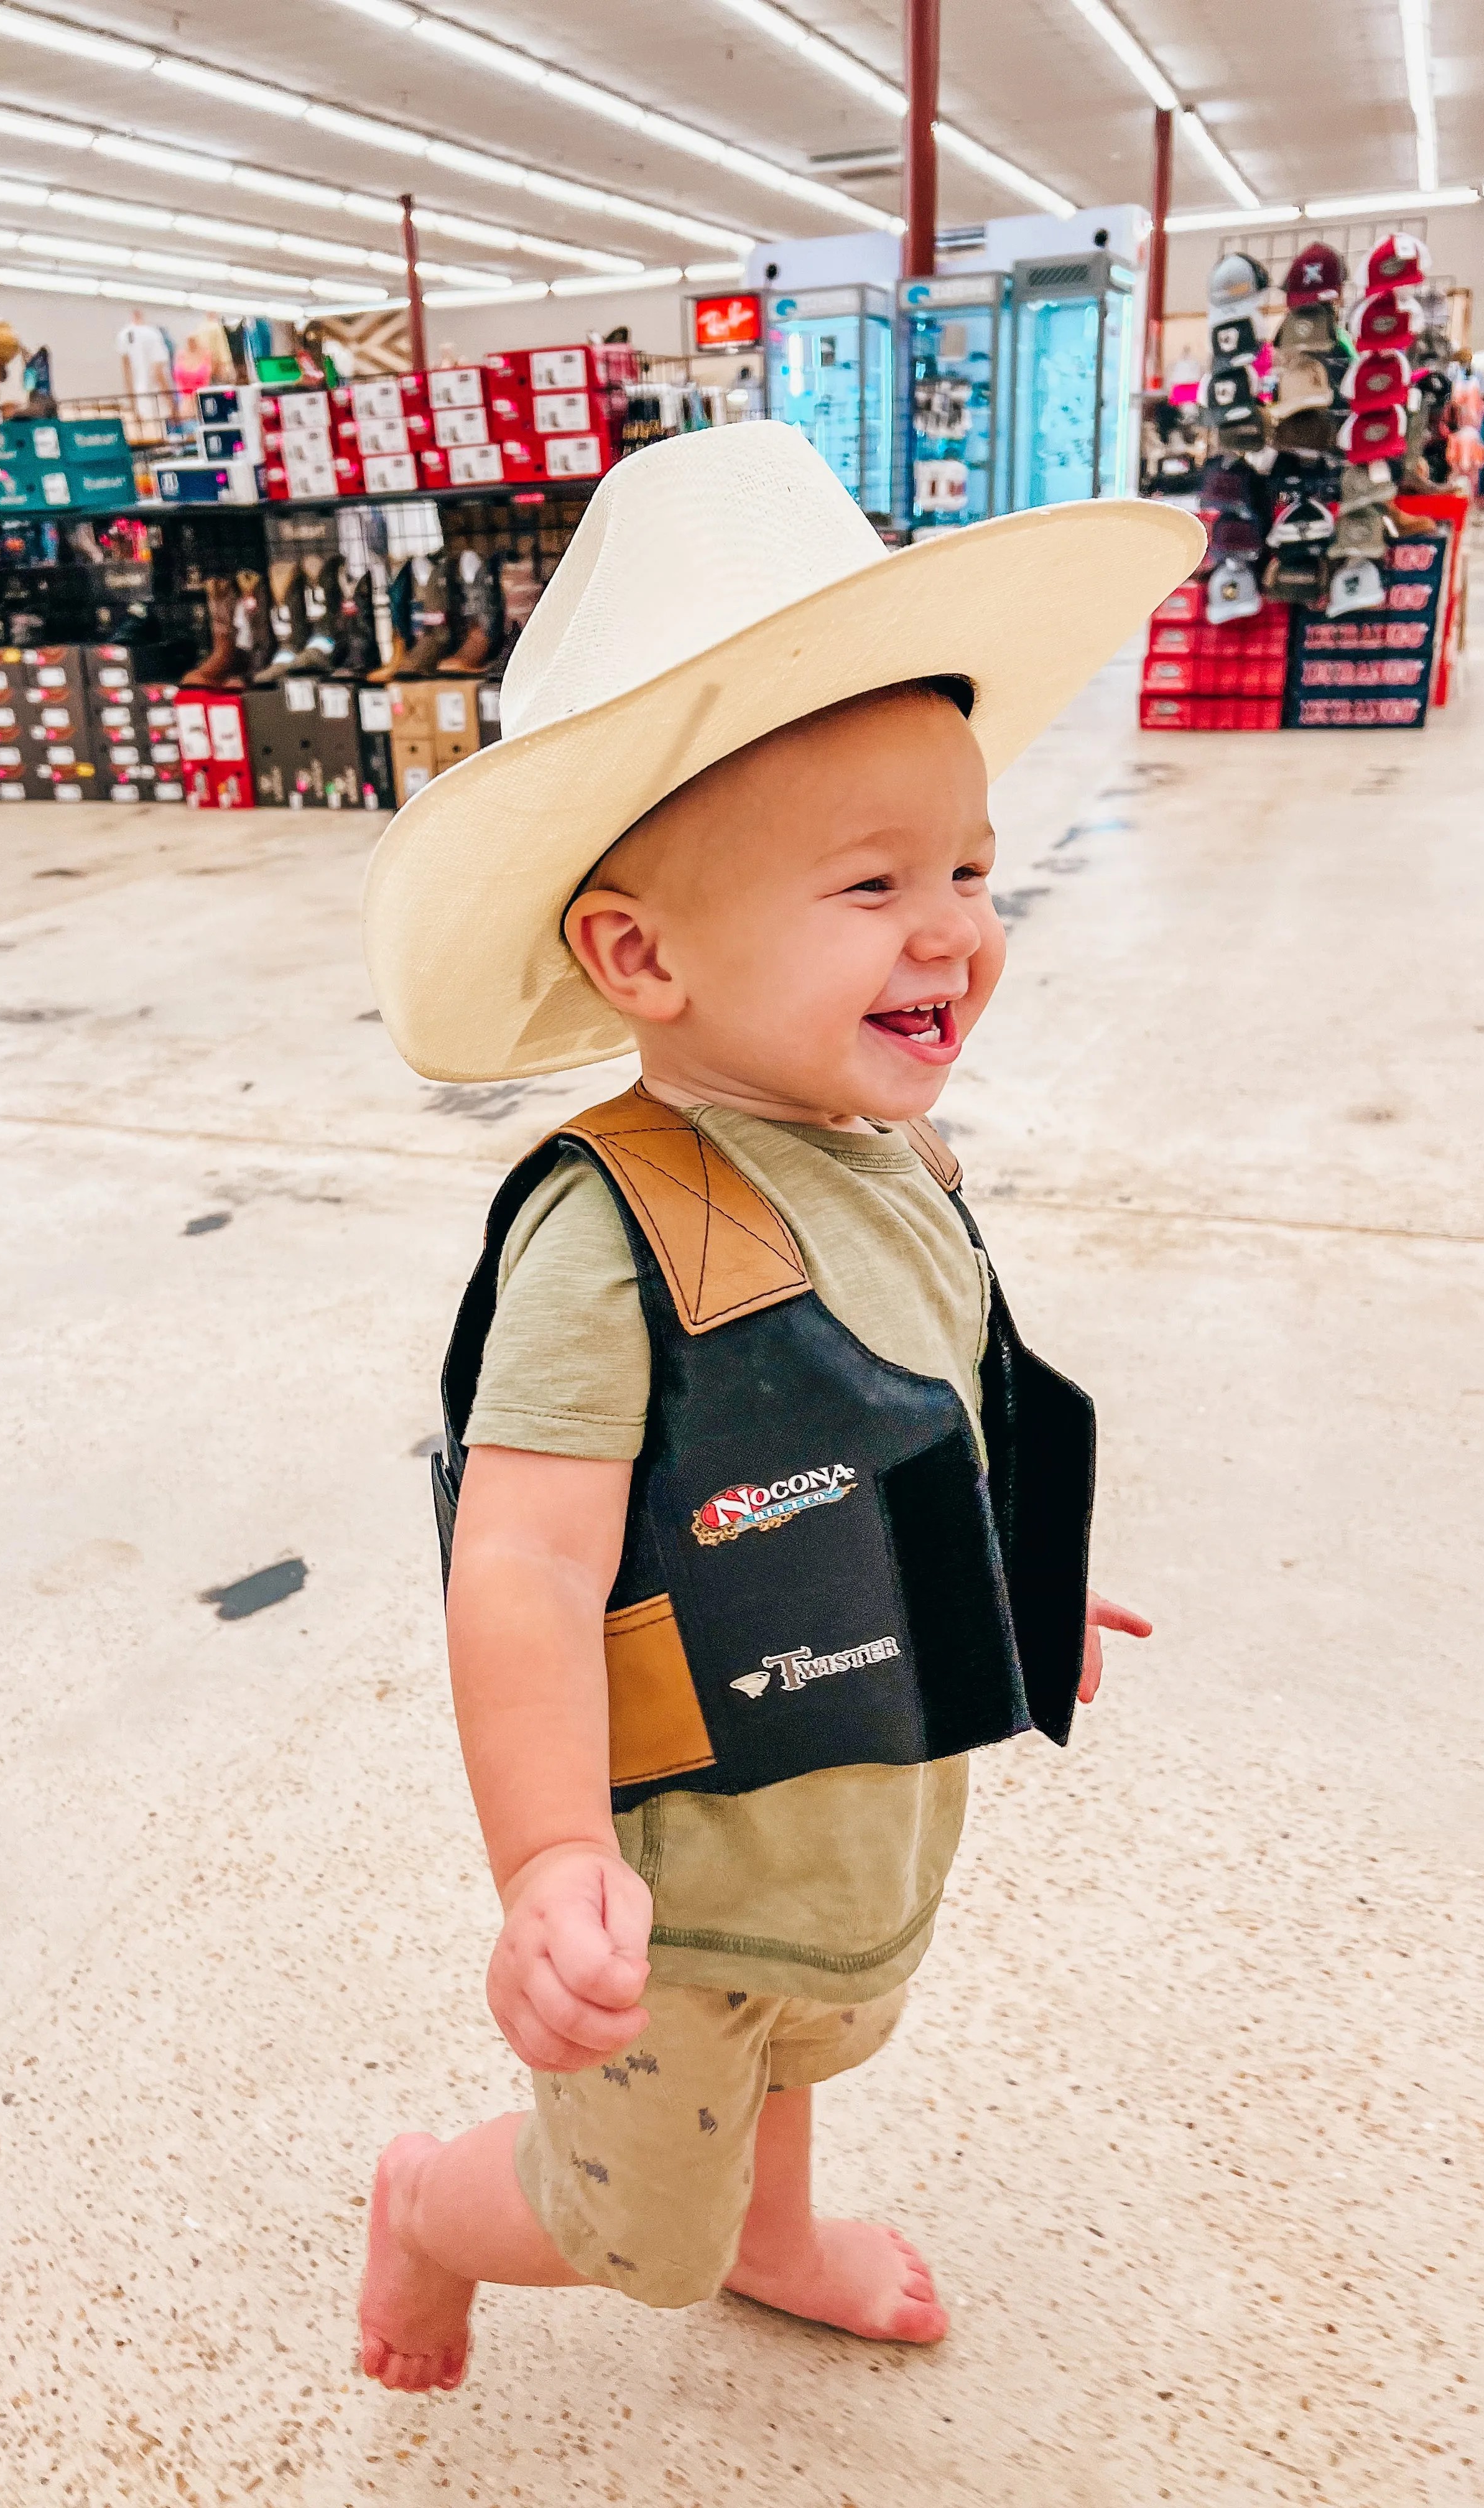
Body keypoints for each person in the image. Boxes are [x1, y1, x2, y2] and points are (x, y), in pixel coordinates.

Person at [356, 424, 1203, 2392]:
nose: (955, 929)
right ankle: (429, 2204)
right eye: (873, 882)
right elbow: (528, 1568)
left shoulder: (895, 1160)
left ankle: (788, 2233)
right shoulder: (617, 1227)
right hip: (684, 1877)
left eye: (973, 867)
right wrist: (552, 1858)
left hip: (859, 1805)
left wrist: (1010, 1591)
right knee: (629, 2222)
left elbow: (909, 1423)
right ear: (639, 953)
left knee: (820, 2035)